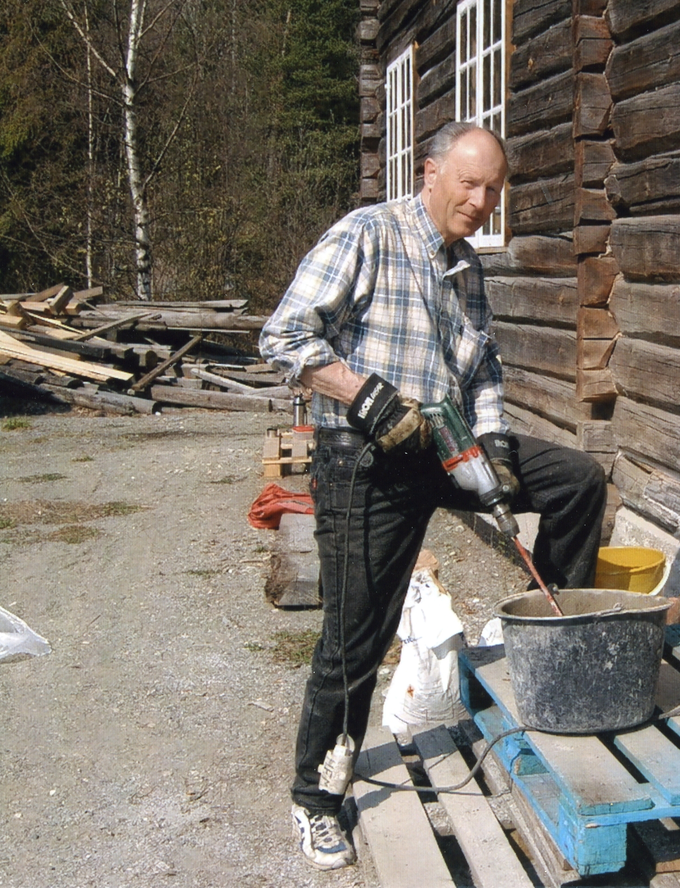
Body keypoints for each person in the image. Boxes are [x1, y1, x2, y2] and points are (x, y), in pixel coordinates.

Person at [259, 121, 607, 871]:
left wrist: (498, 447)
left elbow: (482, 373)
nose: (480, 201)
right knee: (357, 636)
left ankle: (556, 654)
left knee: (578, 480)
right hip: (364, 457)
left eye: (493, 190)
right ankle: (315, 799)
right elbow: (285, 337)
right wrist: (363, 395)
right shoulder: (368, 234)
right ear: (430, 172)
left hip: (444, 446)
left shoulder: (466, 270)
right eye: (468, 183)